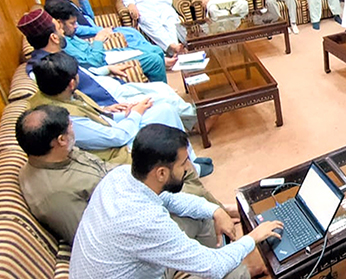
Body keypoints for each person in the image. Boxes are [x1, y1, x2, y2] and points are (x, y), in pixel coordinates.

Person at [69, 124, 284, 279]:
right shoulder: (145, 221)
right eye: (183, 164)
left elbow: (171, 199)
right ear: (161, 173)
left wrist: (215, 210)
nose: (189, 167)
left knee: (203, 218)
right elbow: (215, 267)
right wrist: (252, 238)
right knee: (233, 273)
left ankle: (211, 278)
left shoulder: (121, 176)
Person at [15, 105, 223, 245]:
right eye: (71, 126)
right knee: (185, 191)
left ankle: (220, 211)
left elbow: (107, 169)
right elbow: (92, 237)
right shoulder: (54, 195)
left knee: (179, 164)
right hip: (136, 226)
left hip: (133, 192)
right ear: (60, 140)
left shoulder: (63, 154)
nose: (74, 129)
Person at [25, 51, 212, 175]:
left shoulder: (57, 93)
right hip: (117, 150)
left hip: (113, 126)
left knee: (164, 109)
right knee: (160, 113)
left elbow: (95, 115)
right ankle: (189, 168)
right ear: (72, 82)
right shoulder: (65, 119)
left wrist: (114, 111)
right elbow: (116, 138)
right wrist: (136, 114)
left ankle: (190, 162)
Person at [22, 9, 197, 131]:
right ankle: (199, 119)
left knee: (162, 88)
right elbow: (66, 100)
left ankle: (193, 121)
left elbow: (85, 72)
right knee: (163, 99)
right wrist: (101, 108)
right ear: (53, 37)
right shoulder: (41, 70)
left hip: (110, 84)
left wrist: (107, 69)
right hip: (108, 98)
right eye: (58, 27)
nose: (62, 29)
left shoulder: (55, 54)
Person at [38, 0, 170, 67]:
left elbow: (89, 17)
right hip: (91, 35)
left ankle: (159, 56)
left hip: (95, 29)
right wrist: (100, 31)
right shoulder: (55, 6)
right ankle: (156, 58)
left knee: (133, 32)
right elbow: (75, 30)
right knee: (131, 35)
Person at [45, 0, 168, 83]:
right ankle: (163, 94)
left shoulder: (68, 34)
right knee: (154, 60)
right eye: (72, 23)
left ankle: (162, 88)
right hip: (104, 61)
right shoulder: (62, 42)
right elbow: (93, 63)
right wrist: (98, 41)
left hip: (106, 54)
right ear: (59, 23)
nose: (76, 26)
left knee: (156, 50)